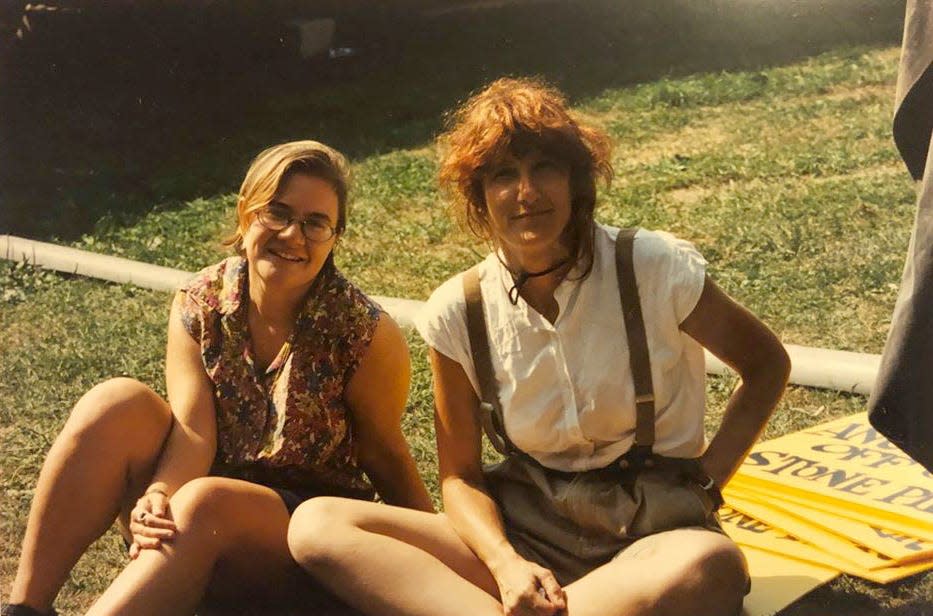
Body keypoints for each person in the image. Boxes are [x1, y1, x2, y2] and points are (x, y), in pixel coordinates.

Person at [285, 78, 791, 616]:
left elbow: (766, 365)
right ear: (479, 196)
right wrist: (506, 566)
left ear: (576, 180)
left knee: (709, 566)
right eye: (504, 175)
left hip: (652, 532)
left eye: (544, 167)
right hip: (527, 533)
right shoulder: (459, 310)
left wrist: (708, 481)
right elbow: (459, 476)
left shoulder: (652, 266)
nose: (527, 192)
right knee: (319, 525)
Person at [3, 140, 433, 616]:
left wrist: (441, 554)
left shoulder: (364, 331)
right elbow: (193, 430)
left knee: (209, 500)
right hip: (200, 508)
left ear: (336, 236)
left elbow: (386, 455)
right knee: (116, 404)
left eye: (316, 222)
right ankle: (26, 609)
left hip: (300, 533)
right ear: (245, 213)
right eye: (277, 212)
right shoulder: (202, 301)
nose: (293, 235)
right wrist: (161, 493)